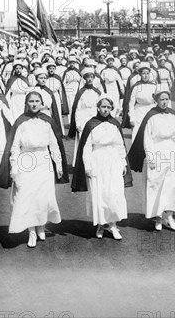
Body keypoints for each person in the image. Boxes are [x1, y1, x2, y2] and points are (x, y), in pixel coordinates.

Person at [0, 91, 68, 248]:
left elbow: (54, 144)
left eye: (37, 101)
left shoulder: (47, 121)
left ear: (41, 103)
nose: (34, 104)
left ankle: (41, 225)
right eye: (31, 101)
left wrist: (59, 164)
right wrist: (14, 167)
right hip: (26, 161)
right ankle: (31, 231)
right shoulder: (21, 122)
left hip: (44, 161)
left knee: (43, 197)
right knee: (26, 196)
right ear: (26, 104)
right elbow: (14, 147)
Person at [72, 95, 132, 240]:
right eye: (103, 107)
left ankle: (113, 225)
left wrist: (123, 162)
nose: (105, 110)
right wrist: (88, 166)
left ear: (111, 109)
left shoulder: (114, 124)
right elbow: (86, 148)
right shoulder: (91, 124)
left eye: (108, 107)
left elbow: (119, 144)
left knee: (114, 193)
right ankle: (100, 224)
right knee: (99, 193)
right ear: (98, 108)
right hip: (97, 160)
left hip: (113, 161)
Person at [128, 90, 175, 231]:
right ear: (156, 100)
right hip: (157, 151)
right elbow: (147, 139)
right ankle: (158, 217)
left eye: (166, 99)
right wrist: (150, 157)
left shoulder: (172, 115)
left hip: (170, 151)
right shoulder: (151, 116)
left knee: (172, 186)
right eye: (162, 99)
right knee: (156, 184)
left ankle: (170, 216)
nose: (164, 102)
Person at [68, 68, 103, 165]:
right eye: (88, 77)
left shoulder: (97, 92)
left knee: (94, 140)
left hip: (94, 118)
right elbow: (77, 109)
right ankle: (80, 163)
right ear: (84, 79)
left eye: (92, 77)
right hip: (83, 118)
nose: (90, 79)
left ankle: (92, 162)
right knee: (82, 140)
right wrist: (78, 123)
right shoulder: (80, 93)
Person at [121, 62, 157, 135]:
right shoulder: (136, 86)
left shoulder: (153, 86)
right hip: (139, 111)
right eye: (143, 73)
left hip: (151, 110)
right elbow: (131, 103)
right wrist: (132, 116)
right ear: (140, 74)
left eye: (147, 73)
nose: (145, 76)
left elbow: (156, 101)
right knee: (138, 132)